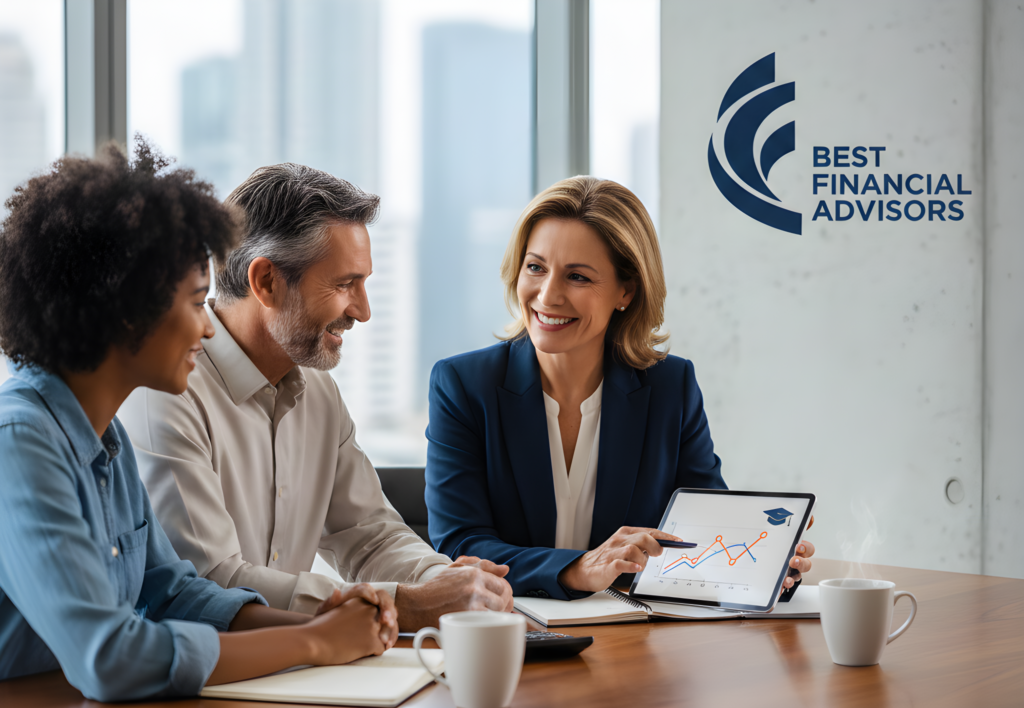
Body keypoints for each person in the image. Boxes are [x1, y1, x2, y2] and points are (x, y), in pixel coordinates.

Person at [0, 142, 398, 701]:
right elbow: (110, 657)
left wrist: (328, 623)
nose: (209, 329)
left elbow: (177, 596)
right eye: (194, 303)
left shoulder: (104, 439)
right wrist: (316, 643)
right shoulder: (19, 442)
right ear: (124, 312)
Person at [120, 163, 513, 630]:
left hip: (290, 669)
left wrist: (449, 582)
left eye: (364, 283)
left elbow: (370, 536)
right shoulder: (164, 391)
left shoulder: (318, 392)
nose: (363, 312)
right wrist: (403, 604)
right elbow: (211, 584)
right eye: (345, 284)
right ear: (265, 282)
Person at [424, 176, 815, 600]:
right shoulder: (463, 385)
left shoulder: (671, 387)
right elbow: (461, 546)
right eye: (535, 267)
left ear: (625, 290)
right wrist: (578, 568)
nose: (547, 295)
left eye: (577, 276)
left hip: (633, 639)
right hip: (512, 633)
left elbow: (702, 531)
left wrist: (766, 559)